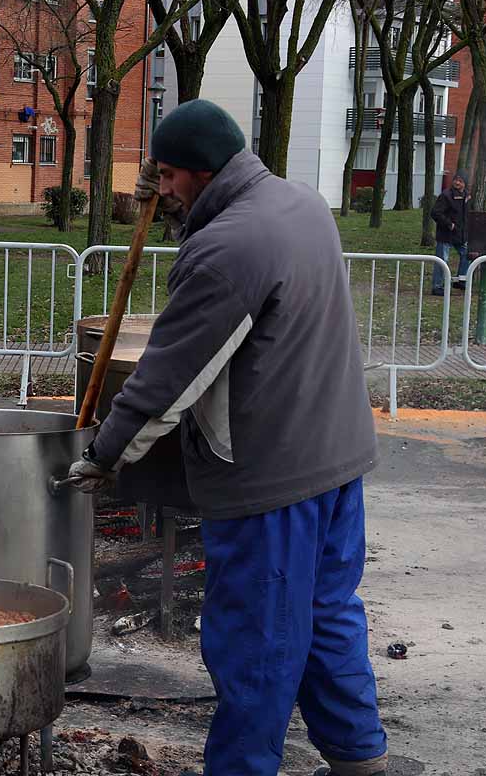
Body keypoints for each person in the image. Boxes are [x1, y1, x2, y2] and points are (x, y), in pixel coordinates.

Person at [67, 100, 388, 776]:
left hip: (270, 481)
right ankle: (361, 760)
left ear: (201, 171)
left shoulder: (228, 247)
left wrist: (102, 454)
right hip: (336, 456)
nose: (166, 192)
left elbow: (167, 379)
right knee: (328, 616)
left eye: (170, 177)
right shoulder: (301, 204)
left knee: (256, 644)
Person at [430, 171, 471, 295]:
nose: (457, 182)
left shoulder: (467, 196)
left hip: (460, 234)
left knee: (466, 255)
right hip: (446, 234)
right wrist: (449, 224)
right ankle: (437, 286)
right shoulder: (446, 195)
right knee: (442, 260)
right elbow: (435, 213)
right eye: (456, 180)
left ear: (465, 184)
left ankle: (461, 279)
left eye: (460, 180)